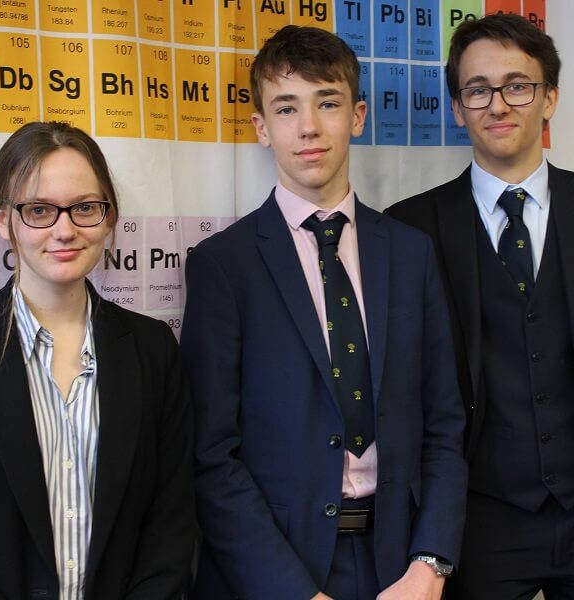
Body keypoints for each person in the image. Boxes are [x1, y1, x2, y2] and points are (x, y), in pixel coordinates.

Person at [181, 25, 467, 600]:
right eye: (286, 108)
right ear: (262, 127)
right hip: (279, 569)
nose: (308, 127)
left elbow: (445, 426)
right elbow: (212, 455)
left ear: (358, 116)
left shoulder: (410, 253)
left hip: (401, 564)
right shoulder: (223, 266)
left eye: (327, 103)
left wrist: (429, 564)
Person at [385, 13, 574, 600]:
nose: (499, 104)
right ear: (456, 106)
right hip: (479, 519)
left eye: (518, 85)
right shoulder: (408, 230)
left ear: (550, 99)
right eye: (478, 89)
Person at [0, 121, 195, 599]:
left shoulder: (153, 349)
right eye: (39, 210)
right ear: (1, 218)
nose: (65, 229)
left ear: (109, 216)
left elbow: (171, 524)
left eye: (85, 208)